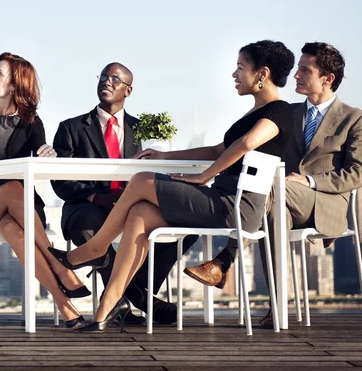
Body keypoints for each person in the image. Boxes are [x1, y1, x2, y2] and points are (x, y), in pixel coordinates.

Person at [48, 40, 295, 332]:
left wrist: (204, 177)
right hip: (222, 200)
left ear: (262, 74)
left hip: (236, 206)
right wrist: (165, 156)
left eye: (240, 68)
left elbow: (246, 144)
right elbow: (215, 150)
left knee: (141, 180)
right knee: (139, 212)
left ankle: (93, 249)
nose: (234, 74)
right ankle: (105, 310)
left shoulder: (280, 111)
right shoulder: (252, 114)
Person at [185, 42, 362, 329]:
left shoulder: (355, 118)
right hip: (280, 198)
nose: (295, 75)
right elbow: (234, 148)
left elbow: (358, 174)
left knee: (268, 189)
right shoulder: (286, 112)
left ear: (328, 78)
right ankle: (277, 309)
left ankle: (224, 260)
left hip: (324, 201)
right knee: (274, 210)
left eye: (304, 70)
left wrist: (309, 180)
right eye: (297, 68)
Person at [0, 52, 89, 329]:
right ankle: (59, 264)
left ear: (13, 86)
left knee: (13, 228)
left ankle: (63, 303)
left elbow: (42, 166)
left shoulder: (32, 122)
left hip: (22, 212)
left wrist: (49, 156)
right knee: (12, 187)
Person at [50, 62, 194, 325]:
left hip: (134, 206)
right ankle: (140, 299)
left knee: (187, 226)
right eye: (103, 77)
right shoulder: (70, 128)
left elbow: (158, 172)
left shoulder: (146, 131)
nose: (107, 81)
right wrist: (96, 196)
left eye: (115, 79)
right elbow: (60, 181)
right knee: (86, 224)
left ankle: (124, 295)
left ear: (128, 90)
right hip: (87, 207)